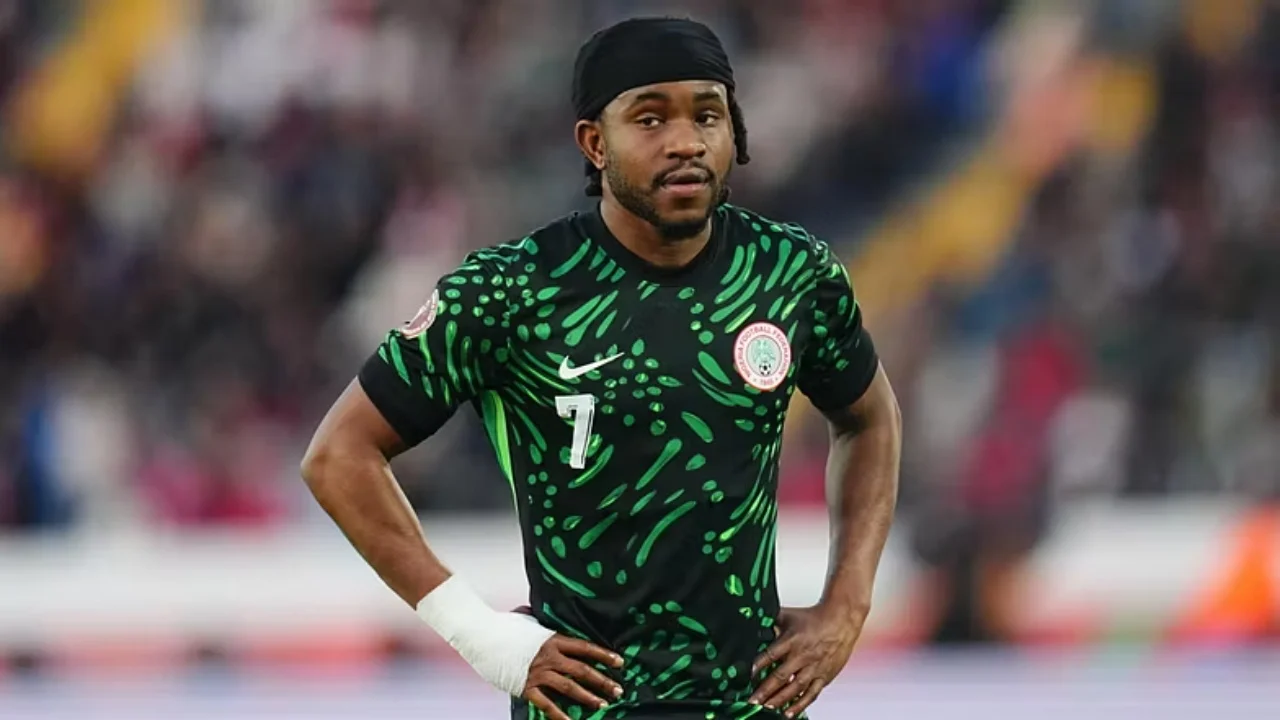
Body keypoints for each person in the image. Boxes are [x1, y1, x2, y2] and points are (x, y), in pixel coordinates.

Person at [301, 17, 901, 720]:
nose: (686, 141)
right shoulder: (513, 291)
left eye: (707, 115)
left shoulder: (790, 273)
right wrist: (479, 633)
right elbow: (338, 456)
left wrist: (847, 602)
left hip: (749, 705)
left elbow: (869, 419)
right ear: (594, 142)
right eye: (650, 118)